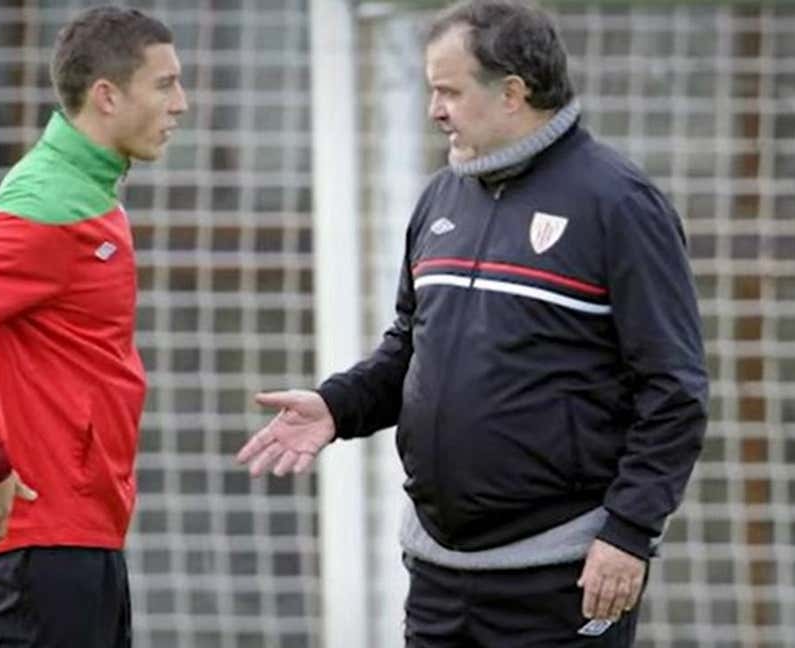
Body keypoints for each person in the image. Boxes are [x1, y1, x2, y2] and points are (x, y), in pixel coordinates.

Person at [237, 1, 707, 645]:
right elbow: (410, 346)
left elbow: (674, 390)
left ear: (513, 92)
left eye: (449, 91)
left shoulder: (620, 204)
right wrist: (336, 406)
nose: (435, 110)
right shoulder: (440, 198)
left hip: (561, 577)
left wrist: (627, 531)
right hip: (437, 574)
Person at [0, 6, 187, 647]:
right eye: (164, 84)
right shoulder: (48, 205)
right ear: (106, 96)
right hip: (46, 543)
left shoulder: (87, 190)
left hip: (75, 536)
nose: (181, 103)